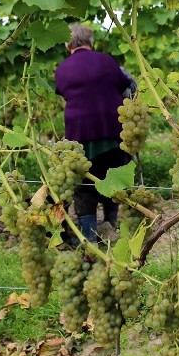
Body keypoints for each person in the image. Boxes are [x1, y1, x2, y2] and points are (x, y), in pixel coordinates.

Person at [54, 23, 132, 242]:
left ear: (68, 44)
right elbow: (125, 84)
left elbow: (62, 90)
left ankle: (89, 239)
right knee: (113, 180)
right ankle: (110, 230)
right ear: (91, 41)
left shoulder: (62, 68)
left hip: (80, 135)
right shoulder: (106, 60)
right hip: (113, 131)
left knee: (85, 186)